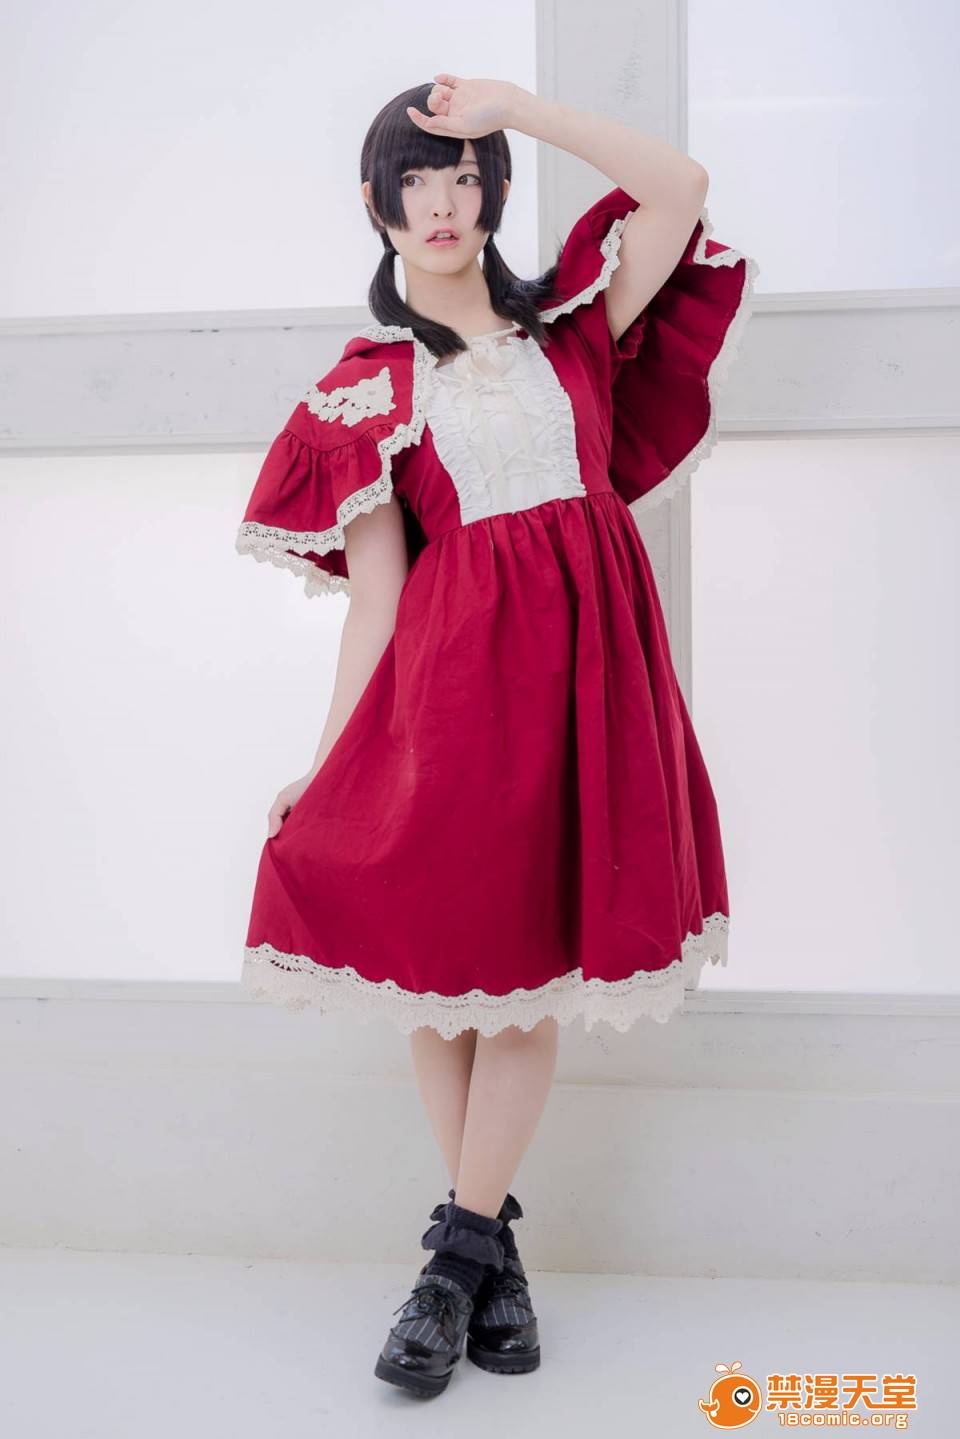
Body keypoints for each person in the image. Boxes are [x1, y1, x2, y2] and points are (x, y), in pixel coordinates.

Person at [234, 75, 758, 1398]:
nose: (441, 203)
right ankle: (481, 1259)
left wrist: (519, 106)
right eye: (413, 181)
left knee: (533, 963)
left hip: (587, 681)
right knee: (443, 970)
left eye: (463, 176)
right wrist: (329, 763)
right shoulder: (365, 391)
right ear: (376, 207)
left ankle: (456, 1265)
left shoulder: (574, 330)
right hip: (451, 694)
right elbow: (379, 602)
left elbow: (681, 191)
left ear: (496, 191)